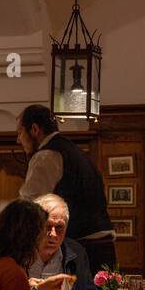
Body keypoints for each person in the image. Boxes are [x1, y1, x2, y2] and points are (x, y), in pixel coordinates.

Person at [16, 104, 116, 271]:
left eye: (20, 133)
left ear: (34, 129)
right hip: (103, 244)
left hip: (81, 247)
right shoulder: (74, 151)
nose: (18, 140)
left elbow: (31, 205)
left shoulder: (46, 156)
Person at [28, 193, 106, 290]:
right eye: (47, 226)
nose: (53, 234)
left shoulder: (76, 253)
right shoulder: (16, 252)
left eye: (59, 227)